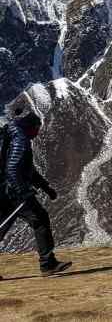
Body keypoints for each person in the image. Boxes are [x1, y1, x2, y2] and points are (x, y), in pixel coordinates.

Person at [0, 107, 72, 277]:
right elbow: (13, 169)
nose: (37, 132)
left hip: (3, 190)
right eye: (37, 128)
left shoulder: (10, 135)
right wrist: (23, 192)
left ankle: (48, 263)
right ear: (30, 126)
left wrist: (46, 188)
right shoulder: (20, 140)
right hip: (14, 193)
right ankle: (48, 264)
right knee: (40, 219)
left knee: (1, 227)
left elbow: (27, 170)